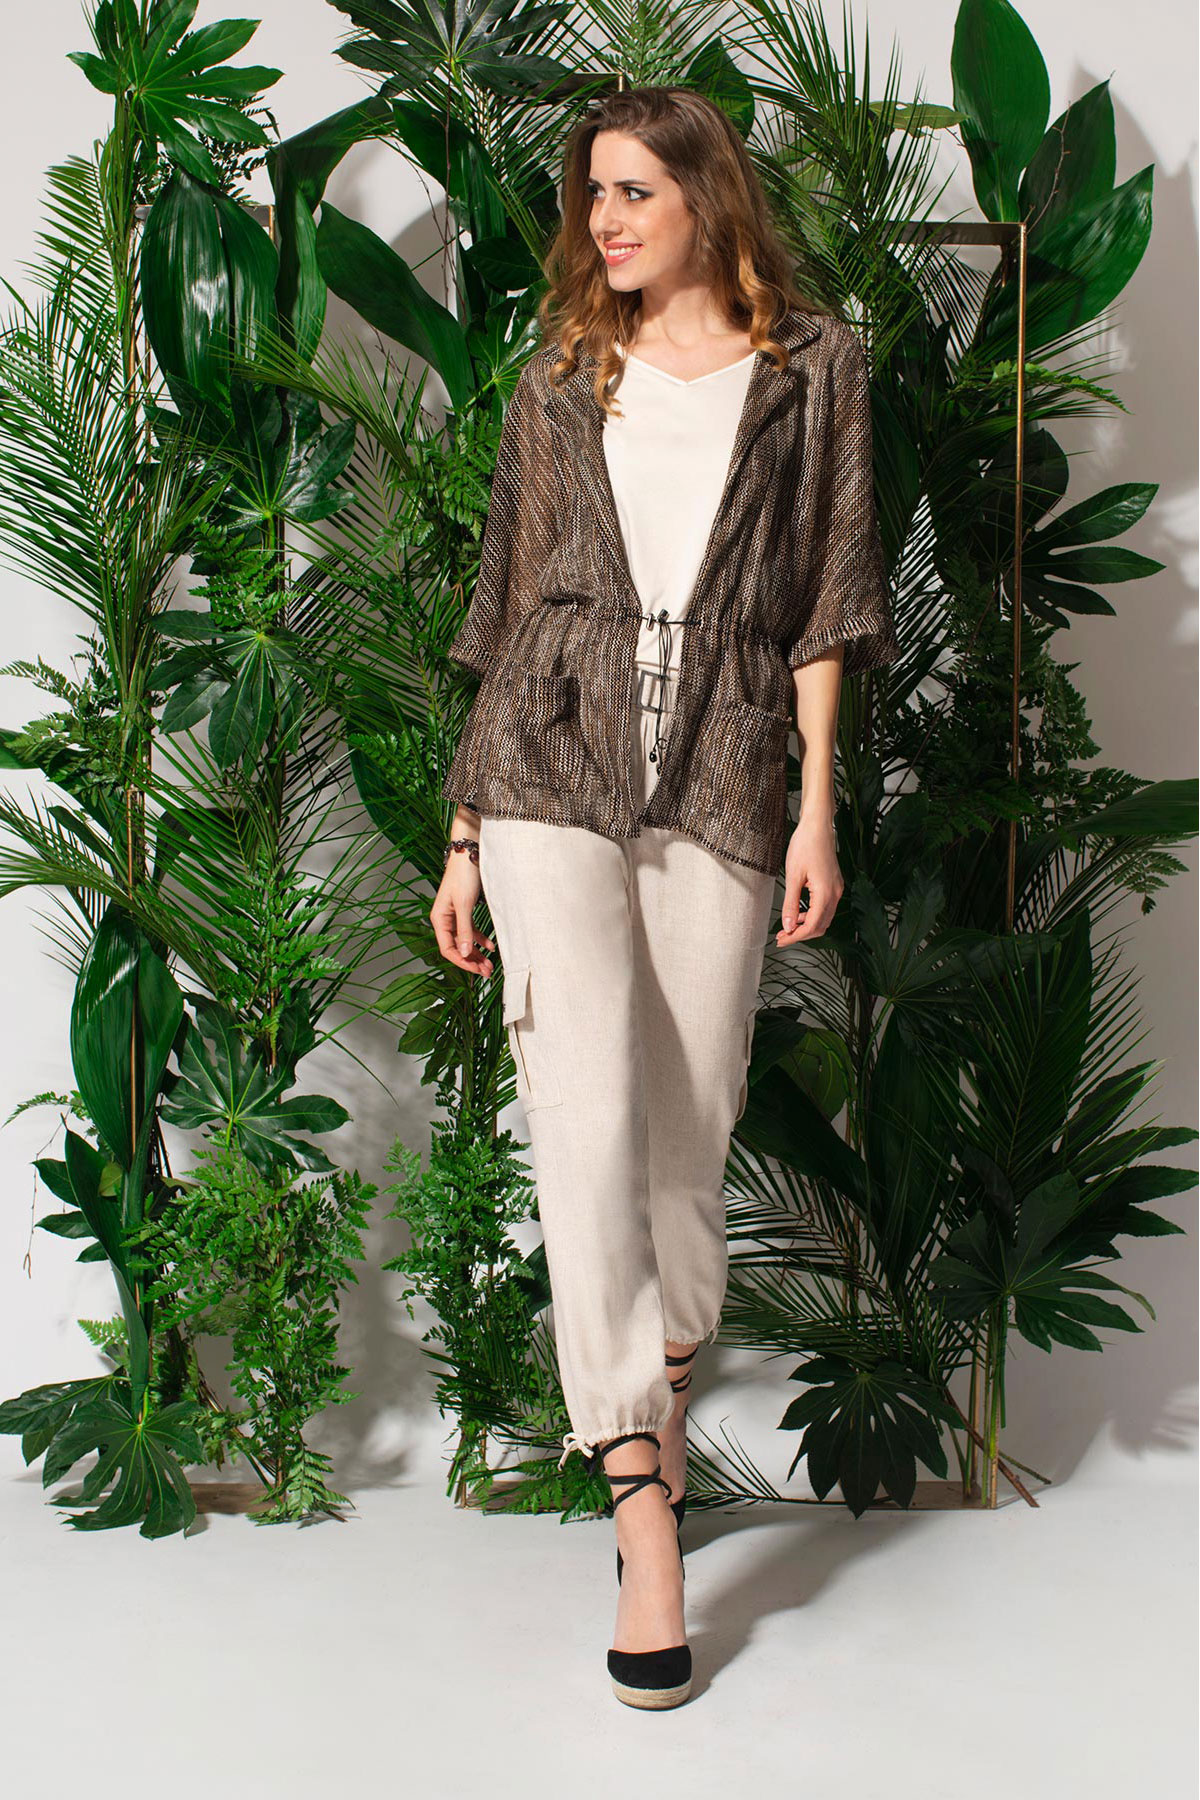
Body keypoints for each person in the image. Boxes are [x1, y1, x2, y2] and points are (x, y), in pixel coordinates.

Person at [430, 86, 899, 1709]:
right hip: (548, 764)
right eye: (593, 196)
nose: (605, 222)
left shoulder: (814, 369)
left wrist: (818, 807)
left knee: (690, 1127)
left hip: (726, 765)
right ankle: (644, 1519)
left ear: (706, 194)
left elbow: (830, 598)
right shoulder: (563, 374)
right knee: (581, 1118)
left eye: (634, 191)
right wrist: (466, 835)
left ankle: (662, 1403)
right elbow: (507, 606)